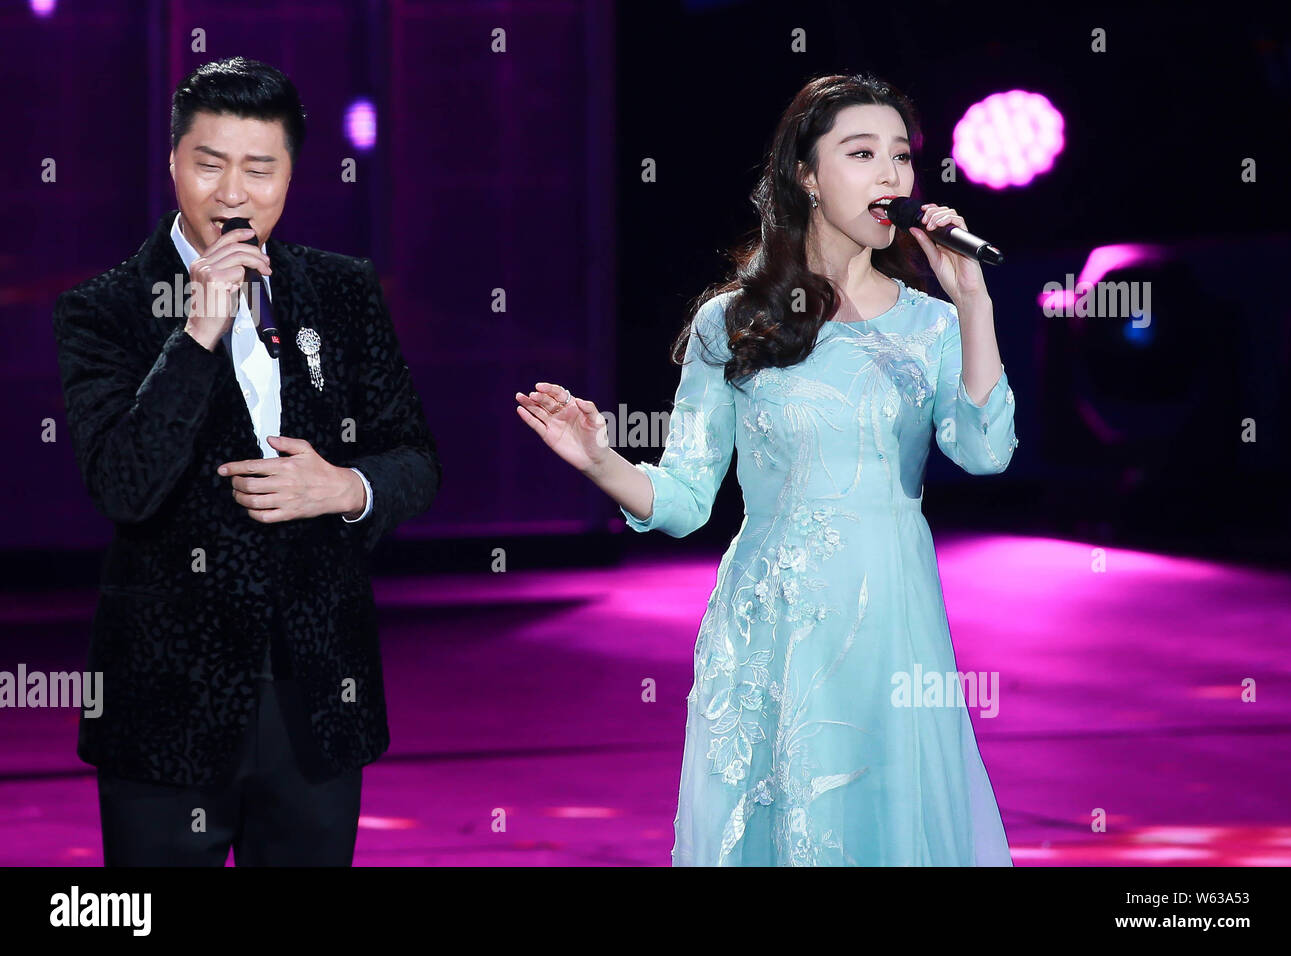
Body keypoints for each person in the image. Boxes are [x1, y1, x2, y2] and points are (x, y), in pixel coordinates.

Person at [516, 73, 1017, 865]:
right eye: (862, 154)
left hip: (894, 621)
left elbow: (986, 454)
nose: (891, 177)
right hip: (772, 623)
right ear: (809, 178)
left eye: (901, 157)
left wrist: (975, 306)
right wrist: (599, 458)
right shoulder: (734, 319)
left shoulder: (933, 325)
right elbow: (682, 499)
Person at [51, 56, 441, 865]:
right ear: (172, 165)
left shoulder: (339, 291)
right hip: (166, 706)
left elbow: (415, 457)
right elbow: (124, 484)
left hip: (315, 698)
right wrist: (196, 334)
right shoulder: (105, 309)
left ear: (291, 174)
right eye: (209, 163)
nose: (233, 192)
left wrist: (345, 486)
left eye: (259, 168)